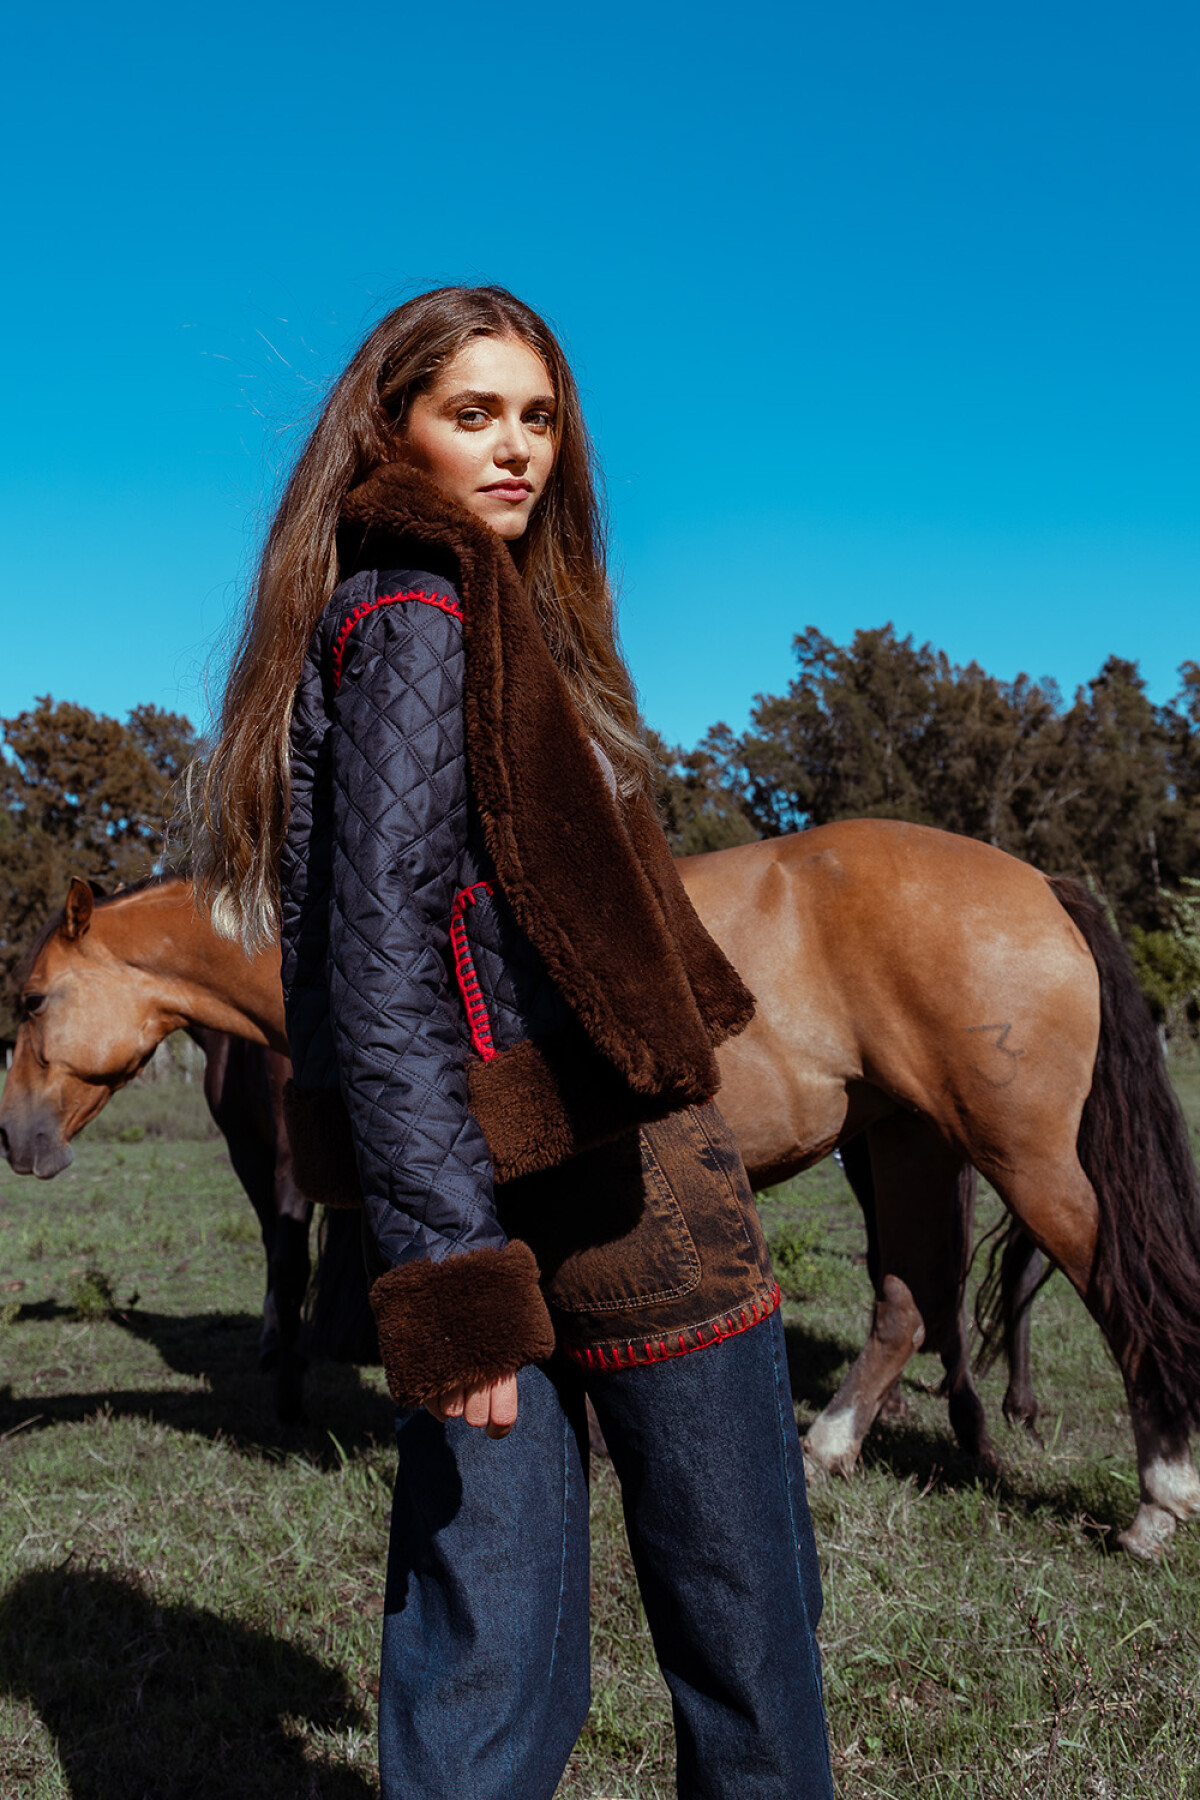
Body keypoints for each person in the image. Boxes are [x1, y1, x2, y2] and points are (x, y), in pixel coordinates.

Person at [197, 285, 833, 1799]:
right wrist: (452, 1276)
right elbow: (381, 960)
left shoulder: (394, 609)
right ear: (390, 428)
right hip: (612, 1184)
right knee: (744, 1624)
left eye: (538, 418)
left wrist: (440, 1244)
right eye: (472, 413)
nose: (517, 450)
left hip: (469, 1190)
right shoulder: (426, 611)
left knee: (482, 1646)